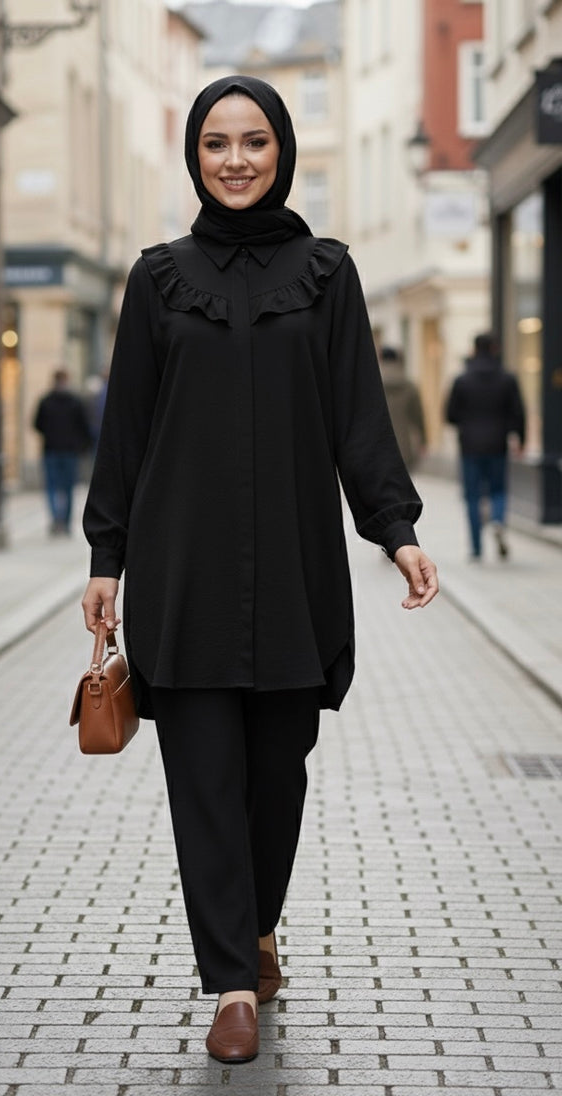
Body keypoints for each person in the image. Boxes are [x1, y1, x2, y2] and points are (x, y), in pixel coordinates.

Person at [81, 76, 438, 1064]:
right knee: (203, 779)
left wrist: (396, 530)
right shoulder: (158, 280)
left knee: (276, 779)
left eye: (252, 142)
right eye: (214, 144)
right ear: (195, 158)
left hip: (294, 574)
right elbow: (129, 432)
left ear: (280, 149)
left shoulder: (328, 274)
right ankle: (232, 980)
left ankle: (261, 922)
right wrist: (105, 555)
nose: (234, 159)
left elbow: (359, 417)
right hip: (183, 571)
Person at [445, 333, 525, 560]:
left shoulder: (462, 380)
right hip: (498, 444)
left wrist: (467, 423)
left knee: (472, 497)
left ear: (474, 349)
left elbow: (450, 415)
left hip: (469, 446)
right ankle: (498, 520)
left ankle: (476, 549)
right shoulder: (508, 379)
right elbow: (518, 413)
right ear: (495, 349)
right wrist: (520, 438)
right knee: (498, 490)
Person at [33, 368, 92, 535]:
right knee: (67, 488)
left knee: (52, 486)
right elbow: (84, 427)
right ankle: (64, 522)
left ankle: (56, 519)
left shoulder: (46, 401)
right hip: (68, 451)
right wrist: (81, 445)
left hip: (51, 449)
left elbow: (37, 424)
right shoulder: (75, 401)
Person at [378, 345, 427, 471]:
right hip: (404, 445)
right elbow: (418, 416)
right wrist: (423, 441)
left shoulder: (371, 383)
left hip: (378, 445)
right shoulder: (409, 385)